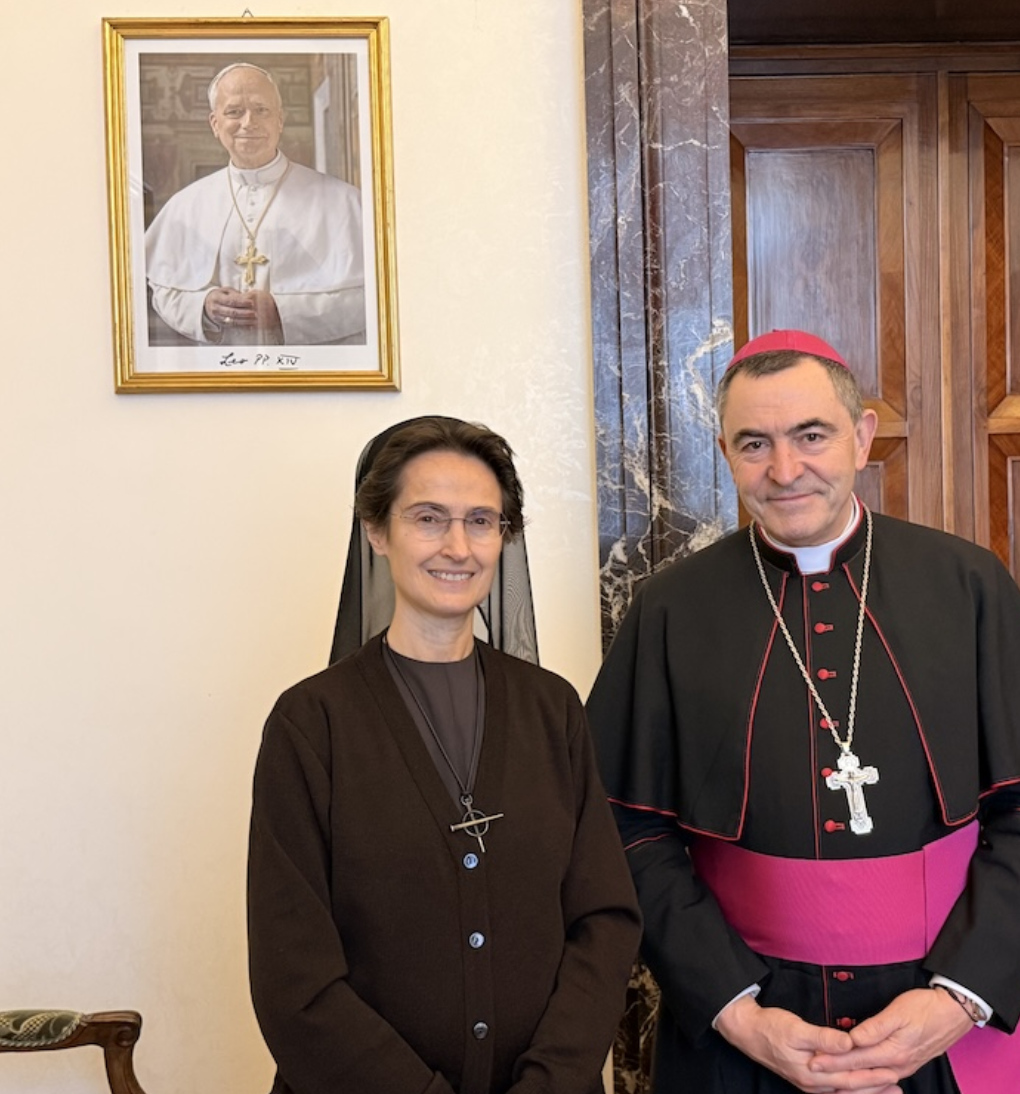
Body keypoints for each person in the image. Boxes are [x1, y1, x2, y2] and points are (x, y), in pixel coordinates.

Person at [586, 330, 1020, 1094]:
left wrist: (959, 997)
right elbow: (630, 830)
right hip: (746, 1032)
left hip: (938, 1018)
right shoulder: (670, 609)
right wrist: (737, 1012)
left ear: (861, 437)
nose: (785, 469)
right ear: (726, 454)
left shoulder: (964, 585)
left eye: (811, 436)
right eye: (754, 443)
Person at [248, 416, 642, 1094]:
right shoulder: (311, 723)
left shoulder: (553, 710)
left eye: (481, 521)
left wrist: (551, 1081)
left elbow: (603, 921)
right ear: (377, 531)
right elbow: (295, 978)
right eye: (428, 518)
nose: (457, 546)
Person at [145, 62, 367, 346]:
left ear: (280, 120)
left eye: (261, 110)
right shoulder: (185, 205)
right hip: (220, 377)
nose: (249, 122)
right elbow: (164, 289)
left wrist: (284, 313)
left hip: (313, 376)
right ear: (215, 124)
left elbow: (373, 298)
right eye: (234, 112)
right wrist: (202, 307)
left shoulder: (344, 203)